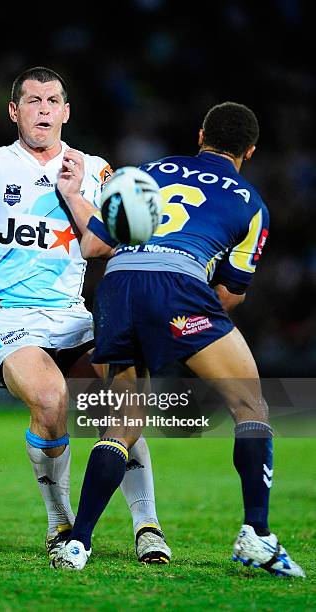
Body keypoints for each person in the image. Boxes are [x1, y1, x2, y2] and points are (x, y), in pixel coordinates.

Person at [53, 102, 306, 578]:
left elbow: (98, 244)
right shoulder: (252, 203)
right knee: (252, 407)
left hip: (119, 285)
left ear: (200, 135)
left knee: (122, 423)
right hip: (178, 288)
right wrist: (181, 318)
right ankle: (257, 534)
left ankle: (77, 544)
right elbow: (229, 293)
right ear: (249, 151)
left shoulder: (149, 171)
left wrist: (73, 195)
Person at [0, 66, 171, 563]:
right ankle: (60, 520)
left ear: (66, 111)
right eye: (33, 100)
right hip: (7, 315)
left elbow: (99, 244)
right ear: (14, 111)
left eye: (53, 100)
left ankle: (147, 525)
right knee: (49, 399)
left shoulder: (94, 167)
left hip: (71, 314)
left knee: (122, 402)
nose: (44, 108)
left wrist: (73, 193)